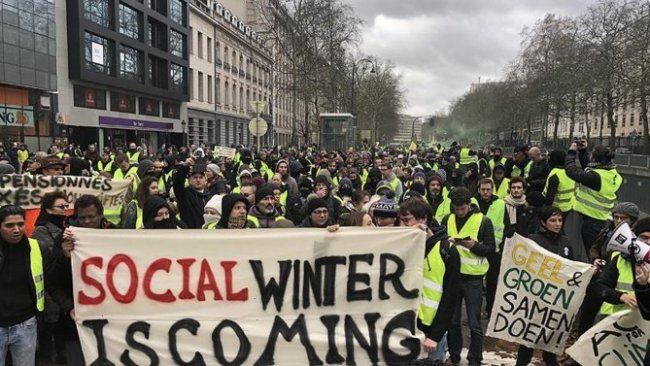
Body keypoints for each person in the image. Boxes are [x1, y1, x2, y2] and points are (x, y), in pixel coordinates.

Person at [399, 198, 460, 364]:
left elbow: (450, 297)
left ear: (423, 218)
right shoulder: (401, 246)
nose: (402, 226)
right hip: (405, 329)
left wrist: (435, 335)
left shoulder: (446, 251)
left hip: (432, 334)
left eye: (406, 221)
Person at [441, 187, 495, 366]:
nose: (459, 212)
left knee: (474, 323)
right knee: (453, 321)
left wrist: (473, 246)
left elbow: (490, 249)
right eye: (456, 209)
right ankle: (454, 355)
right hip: (453, 278)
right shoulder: (447, 220)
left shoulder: (483, 221)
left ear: (469, 205)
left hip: (473, 278)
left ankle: (475, 359)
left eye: (462, 208)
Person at [515, 206, 573, 366]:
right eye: (553, 220)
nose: (557, 224)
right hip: (535, 301)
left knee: (550, 349)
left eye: (560, 220)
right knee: (526, 345)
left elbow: (573, 268)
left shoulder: (566, 243)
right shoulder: (534, 240)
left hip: (555, 303)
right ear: (543, 222)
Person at [0, 205, 44, 366]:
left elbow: (52, 276)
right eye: (9, 225)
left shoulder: (35, 247)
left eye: (20, 224)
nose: (17, 230)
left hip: (25, 324)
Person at [31, 191, 69, 364]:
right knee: (48, 333)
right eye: (61, 207)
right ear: (49, 210)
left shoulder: (65, 227)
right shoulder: (41, 231)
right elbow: (49, 258)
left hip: (63, 289)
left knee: (61, 334)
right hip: (48, 291)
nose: (65, 210)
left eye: (67, 206)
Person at [566, 142, 622, 253]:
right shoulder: (611, 173)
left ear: (595, 158)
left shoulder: (596, 177)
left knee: (593, 255)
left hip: (591, 223)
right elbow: (589, 171)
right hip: (600, 219)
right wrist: (583, 152)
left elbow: (572, 172)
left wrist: (571, 153)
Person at [475, 178, 509, 319]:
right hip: (475, 248)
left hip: (494, 249)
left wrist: (502, 246)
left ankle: (490, 310)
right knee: (476, 284)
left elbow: (506, 225)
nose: (486, 192)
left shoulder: (501, 204)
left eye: (488, 189)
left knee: (492, 282)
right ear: (478, 189)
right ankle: (476, 311)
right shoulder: (472, 202)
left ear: (492, 189)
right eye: (483, 189)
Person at [173, 157, 212, 229]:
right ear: (189, 180)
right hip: (190, 234)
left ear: (205, 179)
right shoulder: (184, 195)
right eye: (195, 177)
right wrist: (185, 167)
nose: (198, 180)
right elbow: (177, 183)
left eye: (201, 177)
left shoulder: (210, 196)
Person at [543, 150, 575, 216]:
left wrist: (546, 210)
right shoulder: (571, 171)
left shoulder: (555, 173)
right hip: (568, 207)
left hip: (555, 208)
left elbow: (550, 196)